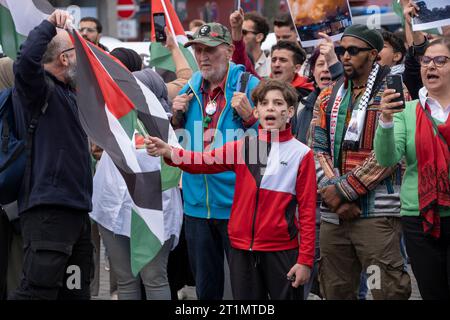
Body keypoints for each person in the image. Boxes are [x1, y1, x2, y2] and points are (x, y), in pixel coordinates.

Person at [146, 79, 316, 300]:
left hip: (281, 249)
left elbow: (307, 211)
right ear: (257, 110)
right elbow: (202, 161)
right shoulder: (245, 146)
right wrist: (169, 151)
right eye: (264, 103)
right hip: (241, 248)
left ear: (290, 111)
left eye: (278, 103)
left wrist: (305, 261)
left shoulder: (301, 153)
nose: (271, 108)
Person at [313, 24, 412, 300]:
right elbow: (316, 150)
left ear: (373, 55)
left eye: (353, 51)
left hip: (376, 216)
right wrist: (335, 196)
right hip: (334, 214)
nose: (345, 56)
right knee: (335, 290)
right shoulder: (327, 95)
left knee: (385, 291)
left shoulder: (393, 92)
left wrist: (343, 191)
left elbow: (389, 156)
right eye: (341, 50)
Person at [171, 22, 260, 300]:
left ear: (230, 50)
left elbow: (268, 148)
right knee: (206, 290)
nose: (202, 56)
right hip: (197, 208)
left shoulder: (251, 86)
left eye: (209, 49)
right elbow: (182, 143)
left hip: (238, 207)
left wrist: (251, 119)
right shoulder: (189, 88)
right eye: (197, 50)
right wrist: (175, 119)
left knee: (246, 291)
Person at [9, 10, 93, 300]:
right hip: (50, 213)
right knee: (37, 292)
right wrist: (48, 25)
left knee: (74, 292)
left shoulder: (69, 93)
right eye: (77, 51)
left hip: (77, 213)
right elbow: (25, 63)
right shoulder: (39, 90)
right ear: (64, 58)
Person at [374, 37, 450, 300]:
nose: (431, 66)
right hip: (419, 215)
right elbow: (386, 159)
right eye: (426, 61)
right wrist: (385, 119)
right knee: (433, 291)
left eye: (441, 60)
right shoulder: (407, 111)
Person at [230, 9, 270, 78]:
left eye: (244, 32)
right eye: (239, 31)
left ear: (259, 37)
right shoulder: (231, 64)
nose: (240, 35)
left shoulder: (272, 66)